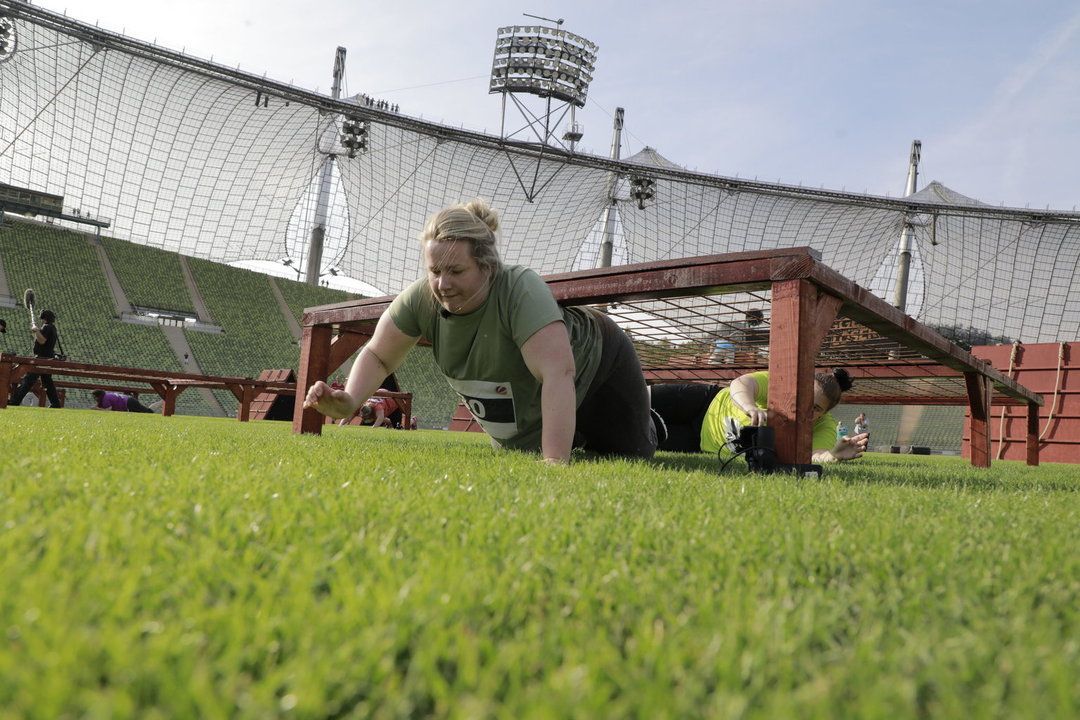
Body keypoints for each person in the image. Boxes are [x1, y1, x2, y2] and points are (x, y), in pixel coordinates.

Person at [304, 198, 657, 463]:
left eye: (456, 271)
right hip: (538, 405)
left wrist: (554, 467)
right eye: (434, 271)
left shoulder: (520, 289)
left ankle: (661, 410)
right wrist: (349, 400)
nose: (442, 284)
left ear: (487, 266)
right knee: (527, 449)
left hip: (599, 371)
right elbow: (379, 355)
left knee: (629, 455)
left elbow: (558, 373)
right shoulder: (421, 298)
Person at [650, 368, 868, 463]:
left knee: (641, 435)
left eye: (816, 408)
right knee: (636, 397)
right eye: (802, 399)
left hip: (698, 442)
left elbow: (815, 454)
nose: (805, 409)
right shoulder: (779, 382)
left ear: (824, 414)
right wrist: (750, 406)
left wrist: (833, 455)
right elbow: (741, 383)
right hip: (704, 402)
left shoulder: (824, 427)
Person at [9, 309, 61, 408]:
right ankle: (55, 403)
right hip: (48, 358)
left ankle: (15, 401)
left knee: (28, 380)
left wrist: (36, 330)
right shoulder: (52, 328)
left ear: (43, 318)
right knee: (47, 382)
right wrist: (36, 331)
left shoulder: (46, 327)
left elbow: (42, 341)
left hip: (41, 359)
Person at [90, 389, 156, 413]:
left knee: (146, 412)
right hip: (130, 400)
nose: (95, 399)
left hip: (129, 402)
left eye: (95, 397)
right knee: (145, 411)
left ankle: (160, 404)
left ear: (98, 396)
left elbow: (108, 410)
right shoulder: (106, 395)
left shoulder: (105, 399)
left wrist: (97, 409)